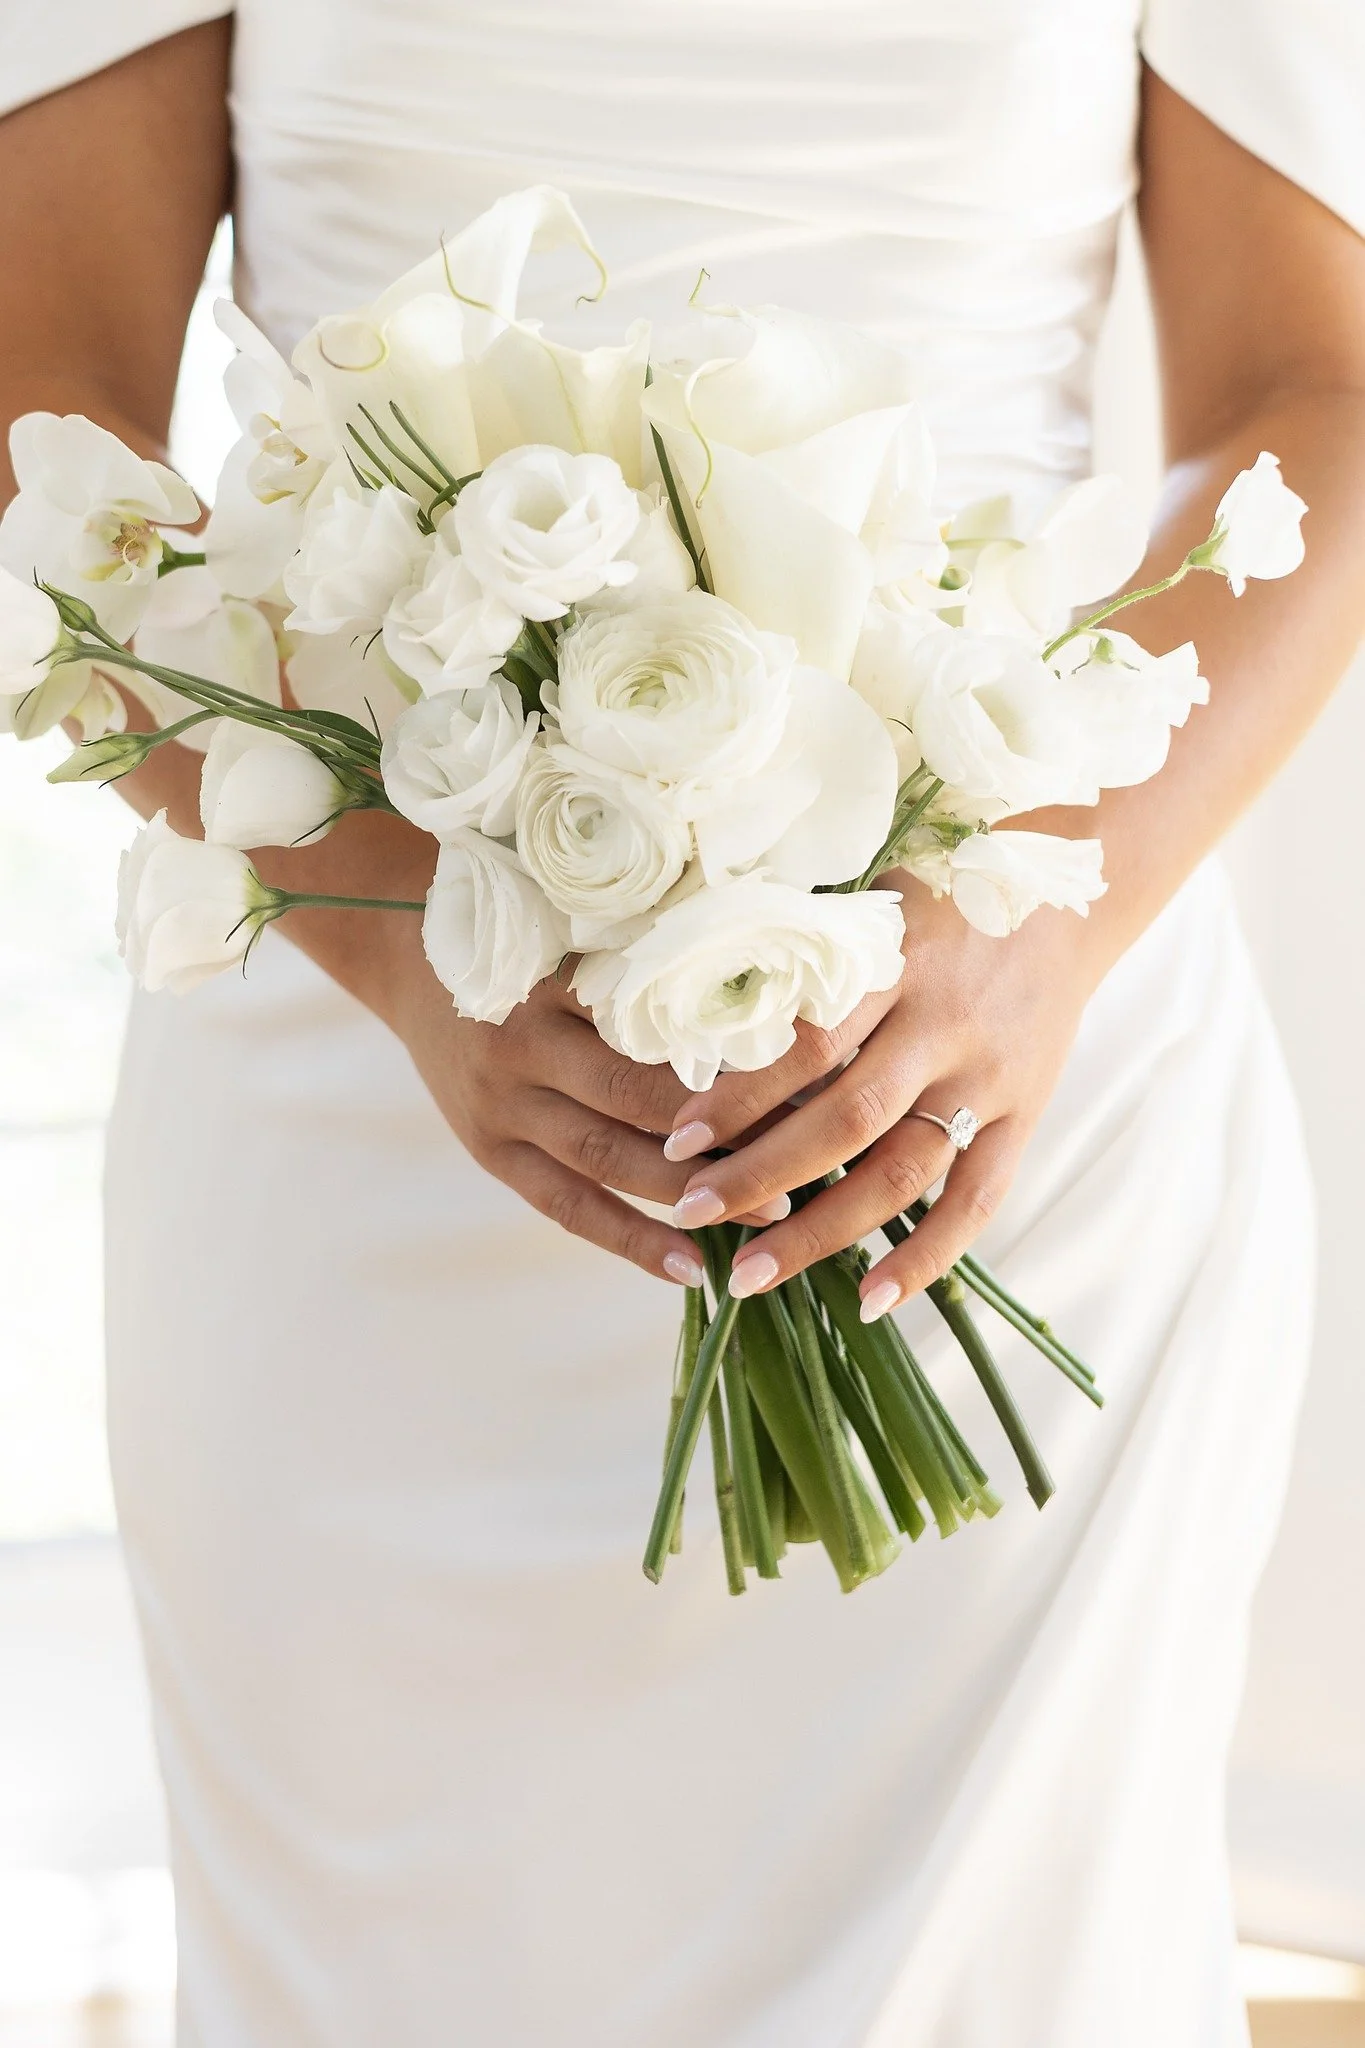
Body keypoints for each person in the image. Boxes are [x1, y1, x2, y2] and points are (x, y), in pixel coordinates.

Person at [3, 5, 1365, 2043]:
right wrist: (398, 935)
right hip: (368, 1105)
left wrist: (1041, 948)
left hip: (990, 1089)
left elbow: (1311, 388)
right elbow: (44, 399)